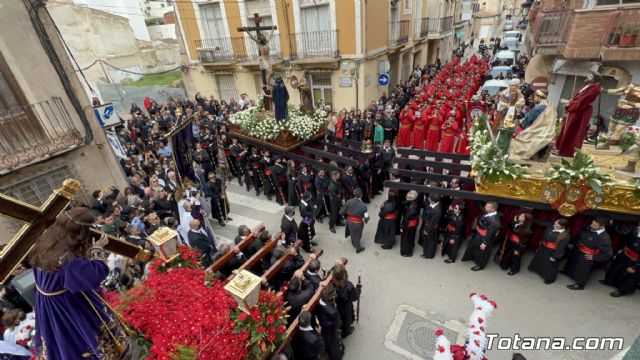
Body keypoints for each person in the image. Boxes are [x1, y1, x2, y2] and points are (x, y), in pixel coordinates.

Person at [30, 207, 131, 359]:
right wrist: (97, 251)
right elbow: (92, 276)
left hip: (47, 302)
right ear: (81, 230)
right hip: (68, 304)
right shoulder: (66, 258)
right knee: (80, 338)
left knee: (58, 340)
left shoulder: (46, 241)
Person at [555, 72, 603, 157]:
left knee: (572, 130)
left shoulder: (595, 88)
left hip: (580, 111)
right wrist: (570, 102)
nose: (587, 76)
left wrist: (570, 104)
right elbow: (577, 98)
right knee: (566, 129)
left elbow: (583, 101)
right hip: (575, 109)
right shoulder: (587, 85)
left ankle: (566, 151)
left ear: (595, 79)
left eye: (590, 76)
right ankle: (559, 148)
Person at [564, 217, 613, 290]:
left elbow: (608, 253)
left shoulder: (604, 238)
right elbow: (579, 236)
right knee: (573, 262)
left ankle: (580, 284)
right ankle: (568, 273)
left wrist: (594, 257)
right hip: (578, 249)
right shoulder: (589, 227)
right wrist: (573, 243)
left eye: (595, 225)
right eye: (592, 223)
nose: (591, 226)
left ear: (602, 226)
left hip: (587, 255)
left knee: (583, 269)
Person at [601, 223, 640, 297]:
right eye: (639, 225)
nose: (638, 227)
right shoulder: (633, 230)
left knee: (628, 275)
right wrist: (612, 224)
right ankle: (609, 281)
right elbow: (622, 231)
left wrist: (635, 266)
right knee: (615, 268)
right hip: (624, 253)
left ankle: (622, 290)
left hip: (635, 260)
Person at [528, 218, 570, 284]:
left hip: (552, 251)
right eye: (556, 221)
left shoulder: (565, 236)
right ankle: (537, 270)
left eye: (557, 222)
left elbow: (561, 248)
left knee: (550, 265)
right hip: (543, 247)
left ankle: (550, 279)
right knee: (540, 259)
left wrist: (554, 256)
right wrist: (530, 219)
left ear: (561, 226)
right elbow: (540, 223)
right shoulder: (550, 226)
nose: (555, 222)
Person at [461, 202, 501, 271]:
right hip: (479, 233)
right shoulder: (487, 211)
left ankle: (480, 265)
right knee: (474, 246)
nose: (485, 207)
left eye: (487, 207)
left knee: (483, 253)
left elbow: (490, 233)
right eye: (486, 206)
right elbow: (482, 208)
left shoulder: (495, 222)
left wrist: (484, 243)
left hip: (486, 238)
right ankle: (470, 257)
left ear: (493, 209)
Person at [331, 264, 361, 338]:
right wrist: (358, 288)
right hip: (346, 307)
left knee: (339, 318)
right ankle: (346, 332)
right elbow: (355, 297)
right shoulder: (348, 286)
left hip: (336, 305)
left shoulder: (332, 283)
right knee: (346, 320)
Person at [314, 284, 343, 360]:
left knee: (327, 341)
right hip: (330, 329)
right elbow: (338, 323)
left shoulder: (319, 300)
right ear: (331, 296)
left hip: (322, 324)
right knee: (333, 344)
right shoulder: (333, 311)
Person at [340, 188, 369, 253]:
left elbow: (342, 212)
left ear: (354, 194)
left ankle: (353, 243)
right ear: (361, 195)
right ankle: (358, 248)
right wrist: (366, 220)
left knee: (352, 232)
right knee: (357, 235)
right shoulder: (364, 206)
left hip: (349, 221)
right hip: (358, 222)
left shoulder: (349, 201)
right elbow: (366, 218)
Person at [419, 193, 442, 259]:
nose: (428, 199)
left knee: (430, 242)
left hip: (431, 229)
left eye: (429, 198)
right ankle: (426, 253)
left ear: (433, 201)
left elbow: (432, 223)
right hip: (429, 225)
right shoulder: (435, 203)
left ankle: (429, 255)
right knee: (428, 241)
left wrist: (427, 230)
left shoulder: (437, 211)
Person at [400, 190, 421, 257]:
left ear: (413, 198)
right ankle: (410, 247)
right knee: (411, 238)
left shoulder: (411, 208)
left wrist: (402, 226)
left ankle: (407, 252)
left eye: (409, 197)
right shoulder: (415, 203)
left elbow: (406, 219)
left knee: (406, 239)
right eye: (407, 196)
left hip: (408, 225)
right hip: (413, 224)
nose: (407, 198)